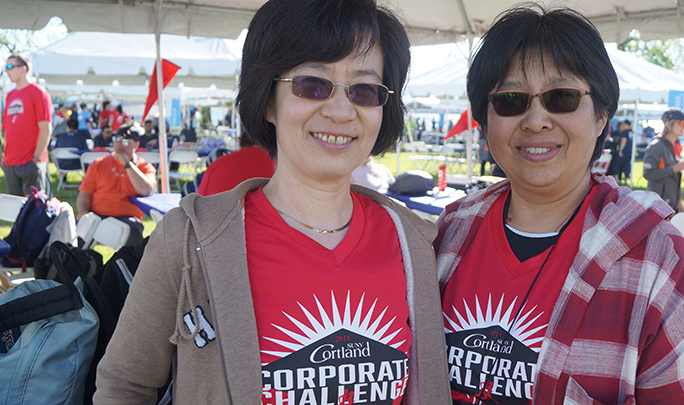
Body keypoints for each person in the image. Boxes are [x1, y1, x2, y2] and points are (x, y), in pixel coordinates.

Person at [94, 0, 451, 403]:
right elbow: (124, 384)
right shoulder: (189, 240)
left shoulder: (413, 244)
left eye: (364, 90)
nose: (339, 110)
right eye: (312, 84)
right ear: (267, 100)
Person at [434, 6, 684, 404]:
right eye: (511, 99)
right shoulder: (448, 235)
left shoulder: (662, 264)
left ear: (601, 115)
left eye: (562, 97)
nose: (536, 120)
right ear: (484, 120)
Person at [76, 124, 156, 246]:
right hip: (97, 216)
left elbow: (146, 190)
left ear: (136, 144)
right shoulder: (99, 164)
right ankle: (88, 263)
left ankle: (125, 265)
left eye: (124, 141)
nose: (119, 144)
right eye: (116, 139)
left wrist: (127, 165)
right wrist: (82, 212)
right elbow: (85, 192)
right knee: (78, 237)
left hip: (127, 218)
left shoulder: (144, 167)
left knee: (134, 236)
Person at [1, 53, 51, 196]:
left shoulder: (38, 92)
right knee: (15, 210)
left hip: (31, 161)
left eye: (9, 66)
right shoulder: (10, 95)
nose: (6, 70)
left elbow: (46, 129)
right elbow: (7, 129)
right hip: (11, 162)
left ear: (23, 69)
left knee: (34, 211)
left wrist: (36, 159)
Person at [643, 108, 684, 213]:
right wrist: (673, 169)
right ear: (669, 124)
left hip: (672, 203)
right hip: (657, 204)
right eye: (680, 123)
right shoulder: (656, 145)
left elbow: (675, 178)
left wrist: (679, 201)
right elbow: (648, 174)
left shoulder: (677, 145)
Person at [196, 135, 277, 195]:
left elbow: (199, 204)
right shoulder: (278, 165)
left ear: (240, 141)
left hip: (220, 215)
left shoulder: (217, 165)